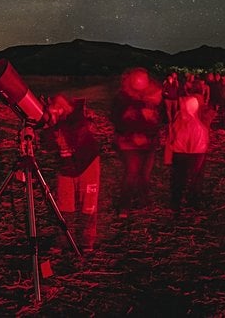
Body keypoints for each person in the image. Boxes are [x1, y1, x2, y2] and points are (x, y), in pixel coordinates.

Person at [40, 93, 101, 252]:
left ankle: (86, 241)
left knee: (88, 204)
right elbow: (48, 146)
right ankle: (62, 240)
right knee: (64, 204)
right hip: (66, 165)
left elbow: (76, 136)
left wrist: (55, 124)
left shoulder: (78, 116)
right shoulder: (53, 122)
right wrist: (48, 125)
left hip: (87, 163)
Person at [111, 67, 163, 218]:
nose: (140, 83)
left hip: (149, 141)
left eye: (143, 80)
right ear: (131, 80)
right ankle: (124, 206)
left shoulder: (154, 95)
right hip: (129, 143)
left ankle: (144, 201)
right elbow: (117, 120)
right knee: (132, 172)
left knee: (144, 174)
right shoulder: (122, 98)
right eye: (137, 80)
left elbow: (160, 118)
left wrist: (153, 119)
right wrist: (133, 132)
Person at [168, 95, 211, 214]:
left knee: (179, 177)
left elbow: (173, 137)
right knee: (192, 177)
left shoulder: (179, 121)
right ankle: (191, 200)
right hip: (195, 152)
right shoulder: (195, 124)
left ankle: (178, 200)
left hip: (182, 152)